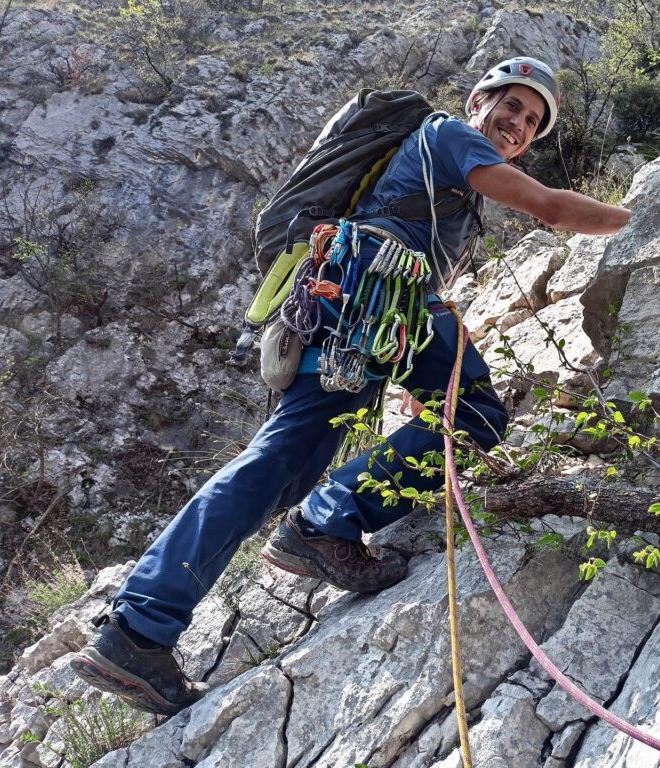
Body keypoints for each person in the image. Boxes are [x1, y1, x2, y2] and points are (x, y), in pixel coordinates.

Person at [71, 56, 631, 716]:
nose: (518, 124)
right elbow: (548, 206)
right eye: (510, 106)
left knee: (294, 466)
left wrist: (426, 392)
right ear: (479, 102)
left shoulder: (451, 185)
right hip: (366, 305)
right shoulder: (451, 136)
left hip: (363, 309)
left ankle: (170, 608)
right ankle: (156, 617)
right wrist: (641, 212)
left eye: (532, 121)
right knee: (302, 457)